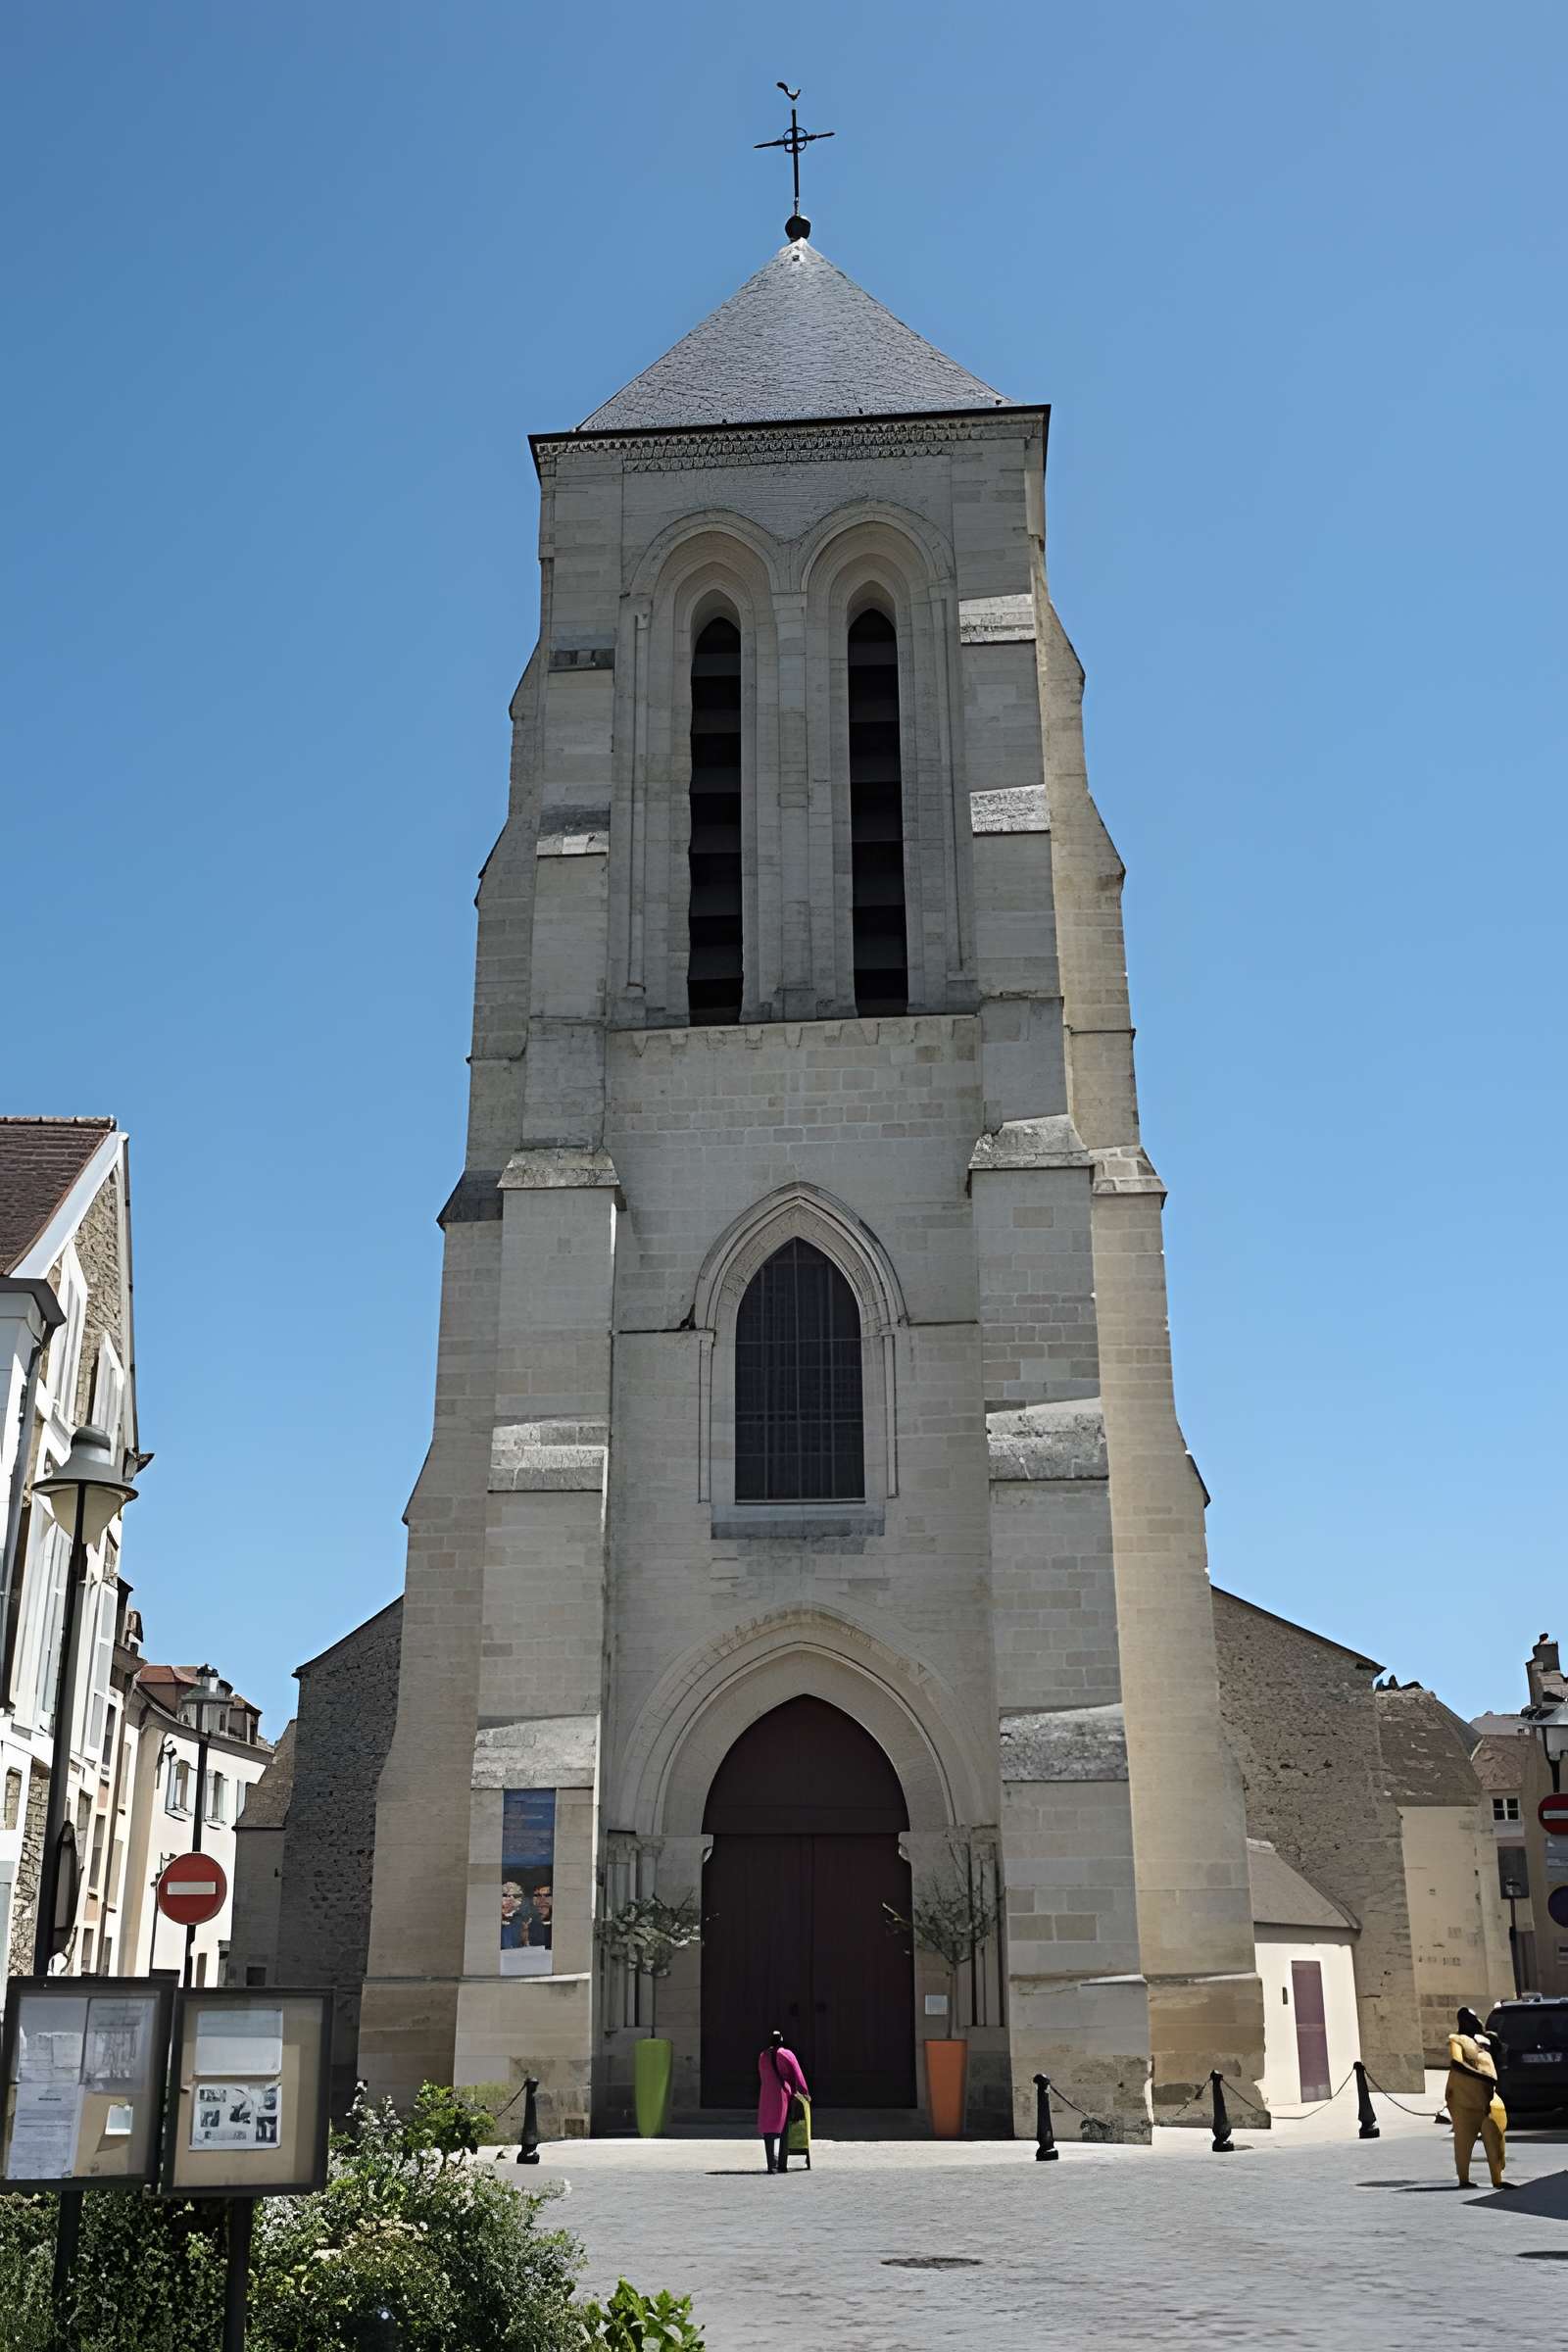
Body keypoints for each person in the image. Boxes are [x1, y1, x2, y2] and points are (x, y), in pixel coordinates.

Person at [1446, 2005, 1512, 2190]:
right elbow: (1456, 2063)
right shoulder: (1457, 2040)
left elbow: (1501, 2060)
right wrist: (1482, 2077)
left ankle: (1498, 2177)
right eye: (1472, 2020)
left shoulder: (1485, 2041)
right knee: (1464, 2139)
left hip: (1489, 2096)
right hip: (1466, 2097)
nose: (1477, 2022)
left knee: (1496, 2135)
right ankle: (1464, 2178)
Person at [758, 2028, 809, 2174]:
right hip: (783, 2094)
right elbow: (798, 2074)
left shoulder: (763, 2056)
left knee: (769, 2130)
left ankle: (770, 2165)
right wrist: (804, 2092)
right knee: (783, 2129)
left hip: (767, 2094)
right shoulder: (787, 2054)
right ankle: (782, 2164)